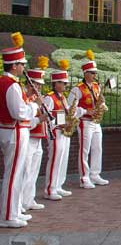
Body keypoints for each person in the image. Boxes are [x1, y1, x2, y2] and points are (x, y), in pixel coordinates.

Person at [0, 33, 43, 228]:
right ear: (15, 65)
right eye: (22, 64)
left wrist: (31, 99)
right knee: (13, 175)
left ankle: (14, 210)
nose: (23, 68)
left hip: (11, 131)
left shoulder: (7, 83)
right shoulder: (11, 85)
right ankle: (8, 215)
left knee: (15, 173)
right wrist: (34, 107)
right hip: (14, 132)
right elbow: (19, 112)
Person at [68, 50, 110, 188]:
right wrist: (86, 111)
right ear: (85, 73)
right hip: (85, 122)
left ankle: (95, 174)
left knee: (98, 148)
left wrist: (102, 104)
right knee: (84, 150)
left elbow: (99, 101)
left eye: (95, 73)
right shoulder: (77, 89)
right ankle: (84, 177)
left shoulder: (97, 86)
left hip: (96, 122)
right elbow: (70, 108)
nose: (94, 75)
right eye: (92, 73)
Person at [44, 60, 78, 201]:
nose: (65, 85)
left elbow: (64, 113)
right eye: (63, 83)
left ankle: (58, 185)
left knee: (63, 159)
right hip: (56, 132)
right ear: (55, 83)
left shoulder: (63, 97)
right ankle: (50, 189)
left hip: (64, 132)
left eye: (65, 83)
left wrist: (71, 116)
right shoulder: (49, 97)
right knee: (55, 160)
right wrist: (62, 123)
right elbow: (46, 117)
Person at [20, 58, 49, 213]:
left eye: (40, 85)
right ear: (30, 83)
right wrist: (40, 119)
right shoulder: (25, 98)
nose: (39, 87)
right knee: (25, 171)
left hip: (38, 139)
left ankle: (29, 199)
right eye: (36, 84)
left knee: (34, 171)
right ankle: (20, 203)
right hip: (29, 138)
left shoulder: (36, 98)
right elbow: (26, 121)